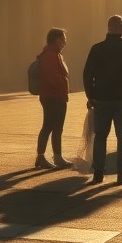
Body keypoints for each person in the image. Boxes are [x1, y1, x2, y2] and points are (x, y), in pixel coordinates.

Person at [82, 15, 122, 185]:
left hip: (102, 100)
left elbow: (87, 74)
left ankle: (98, 172)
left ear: (108, 28)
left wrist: (91, 95)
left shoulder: (97, 49)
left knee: (100, 136)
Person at [34, 28, 73, 170]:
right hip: (53, 96)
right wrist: (63, 85)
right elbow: (51, 76)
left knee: (55, 127)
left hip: (55, 95)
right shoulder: (51, 55)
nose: (65, 41)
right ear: (57, 40)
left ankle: (56, 156)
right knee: (50, 126)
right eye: (63, 38)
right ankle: (43, 156)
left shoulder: (54, 54)